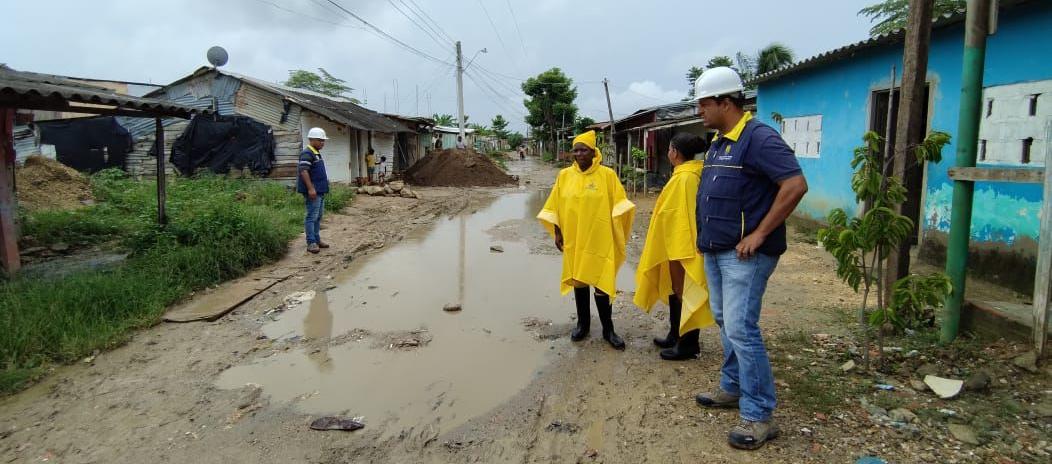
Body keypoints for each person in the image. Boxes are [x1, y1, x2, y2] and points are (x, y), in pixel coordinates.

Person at [691, 67, 808, 450]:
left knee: (742, 328)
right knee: (727, 322)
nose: (699, 111)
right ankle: (733, 387)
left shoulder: (758, 138)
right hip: (717, 250)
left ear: (727, 102)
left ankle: (759, 415)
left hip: (746, 255)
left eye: (704, 103)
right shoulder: (720, 141)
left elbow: (794, 184)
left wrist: (759, 234)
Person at [537, 130, 635, 350]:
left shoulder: (607, 175)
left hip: (600, 238)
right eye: (576, 150)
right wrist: (558, 232)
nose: (579, 154)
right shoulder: (564, 176)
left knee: (601, 282)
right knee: (579, 279)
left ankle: (608, 330)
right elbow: (555, 205)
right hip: (575, 238)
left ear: (594, 152)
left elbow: (620, 203)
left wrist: (621, 222)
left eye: (584, 150)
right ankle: (583, 324)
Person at [634, 132, 714, 361]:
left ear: (674, 152)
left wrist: (678, 247)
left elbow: (682, 216)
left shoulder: (685, 178)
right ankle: (675, 334)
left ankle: (688, 345)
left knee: (683, 292)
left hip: (683, 245)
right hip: (677, 243)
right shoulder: (690, 173)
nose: (668, 152)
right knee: (673, 290)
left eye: (669, 149)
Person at [297, 127, 332, 254]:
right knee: (312, 217)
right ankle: (311, 242)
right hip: (314, 192)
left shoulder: (316, 153)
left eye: (323, 140)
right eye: (320, 140)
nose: (323, 143)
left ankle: (317, 239)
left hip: (320, 191)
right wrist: (311, 188)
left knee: (318, 217)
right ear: (312, 140)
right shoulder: (307, 153)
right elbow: (303, 170)